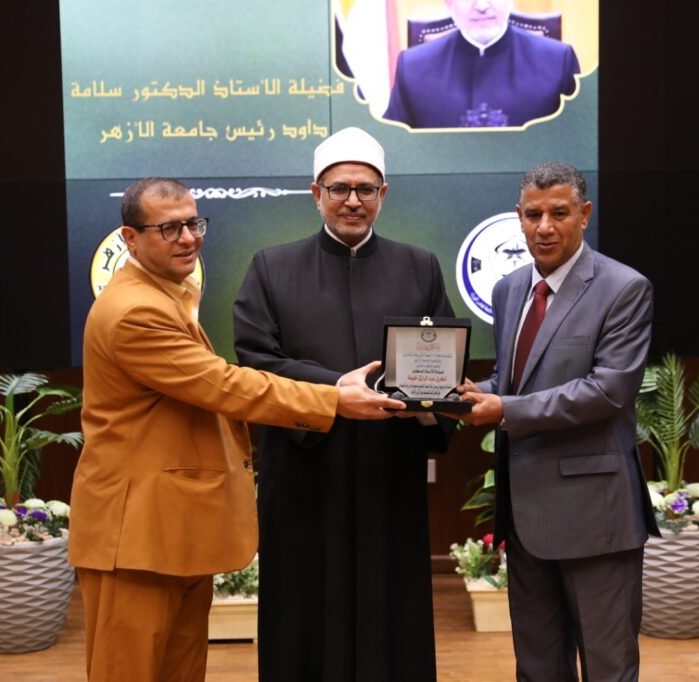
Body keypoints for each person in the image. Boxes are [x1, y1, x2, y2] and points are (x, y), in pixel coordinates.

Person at [68, 176, 405, 682]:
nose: (188, 238)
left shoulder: (165, 294)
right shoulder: (135, 311)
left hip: (168, 533)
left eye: (193, 224)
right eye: (169, 229)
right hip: (134, 539)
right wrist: (335, 398)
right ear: (131, 239)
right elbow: (224, 386)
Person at [232, 127, 455, 682]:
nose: (352, 200)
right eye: (339, 189)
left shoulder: (420, 266)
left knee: (391, 620)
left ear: (384, 194)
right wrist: (336, 390)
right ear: (316, 194)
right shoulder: (271, 267)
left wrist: (432, 400)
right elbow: (256, 362)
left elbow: (442, 361)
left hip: (389, 475)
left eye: (365, 189)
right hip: (305, 476)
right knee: (303, 620)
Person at [454, 162, 658, 681]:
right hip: (526, 519)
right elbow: (514, 378)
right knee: (538, 668)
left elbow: (607, 391)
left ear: (584, 214)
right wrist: (477, 393)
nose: (544, 227)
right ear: (518, 217)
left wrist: (505, 409)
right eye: (533, 215)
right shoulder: (509, 289)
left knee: (608, 669)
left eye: (559, 214)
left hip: (596, 520)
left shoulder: (623, 288)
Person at [383, 0, 580, 128]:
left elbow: (580, 141)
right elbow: (394, 146)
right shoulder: (413, 68)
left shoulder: (558, 61)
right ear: (448, 3)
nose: (482, 6)